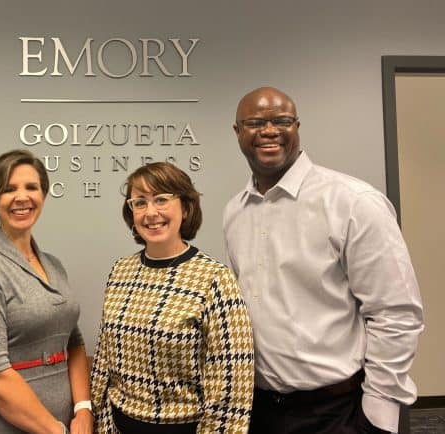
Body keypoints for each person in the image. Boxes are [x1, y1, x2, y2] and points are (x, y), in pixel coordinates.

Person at [223, 86, 424, 434]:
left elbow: (396, 313)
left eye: (281, 121)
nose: (269, 131)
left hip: (338, 413)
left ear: (297, 126)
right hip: (258, 411)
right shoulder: (235, 212)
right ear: (238, 132)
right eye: (256, 122)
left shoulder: (353, 202)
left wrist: (378, 415)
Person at [91, 162, 254, 434]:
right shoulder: (121, 271)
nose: (150, 212)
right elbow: (104, 358)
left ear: (186, 208)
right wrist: (95, 416)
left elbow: (232, 383)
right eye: (139, 203)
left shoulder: (214, 279)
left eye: (162, 200)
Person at [0, 149, 92, 434]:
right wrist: (55, 431)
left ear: (43, 195)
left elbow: (74, 342)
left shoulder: (53, 265)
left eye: (32, 187)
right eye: (8, 189)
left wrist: (83, 410)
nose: (22, 197)